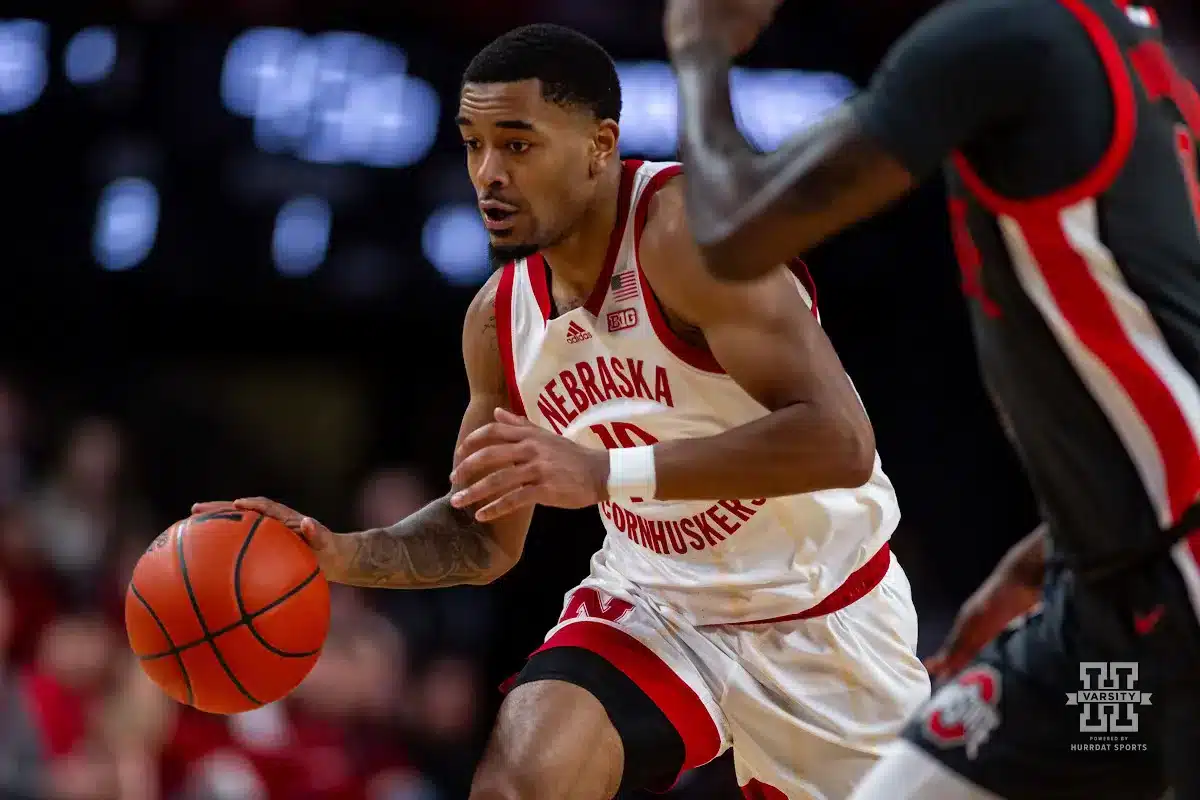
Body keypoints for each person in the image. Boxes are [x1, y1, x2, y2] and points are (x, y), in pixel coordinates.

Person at [195, 23, 930, 800]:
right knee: (520, 777)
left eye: (517, 146)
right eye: (473, 144)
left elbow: (839, 440)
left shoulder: (691, 240)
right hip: (657, 603)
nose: (488, 175)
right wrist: (342, 555)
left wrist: (604, 472)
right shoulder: (498, 321)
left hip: (823, 614)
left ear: (598, 145)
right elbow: (481, 533)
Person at [663, 0, 1200, 796]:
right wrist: (1035, 561)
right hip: (1097, 629)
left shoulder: (1005, 37)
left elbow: (733, 233)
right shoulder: (1129, 47)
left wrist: (700, 49)